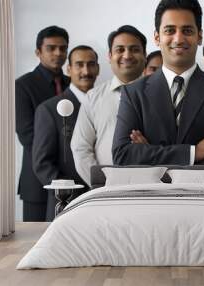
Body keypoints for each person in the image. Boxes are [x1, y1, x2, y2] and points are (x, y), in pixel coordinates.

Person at [112, 0, 204, 166]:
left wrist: (150, 155)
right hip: (149, 192)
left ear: (199, 36)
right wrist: (194, 153)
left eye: (187, 30)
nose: (179, 39)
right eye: (170, 30)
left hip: (203, 192)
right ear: (157, 37)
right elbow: (122, 155)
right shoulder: (133, 93)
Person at [71, 25, 146, 185]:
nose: (127, 55)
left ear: (145, 55)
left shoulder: (163, 96)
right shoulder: (92, 98)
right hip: (104, 191)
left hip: (152, 189)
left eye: (134, 49)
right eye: (120, 49)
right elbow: (81, 149)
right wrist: (103, 185)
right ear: (110, 56)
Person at [32, 46, 100, 221]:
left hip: (104, 201)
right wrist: (68, 190)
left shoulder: (108, 104)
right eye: (79, 65)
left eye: (91, 64)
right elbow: (42, 163)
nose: (86, 71)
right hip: (66, 205)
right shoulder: (48, 109)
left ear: (98, 68)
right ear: (68, 69)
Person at [15, 26, 69, 221]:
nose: (58, 53)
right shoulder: (23, 85)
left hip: (72, 177)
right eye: (51, 48)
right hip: (37, 180)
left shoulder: (73, 84)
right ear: (38, 52)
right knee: (35, 241)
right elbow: (26, 134)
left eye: (63, 48)